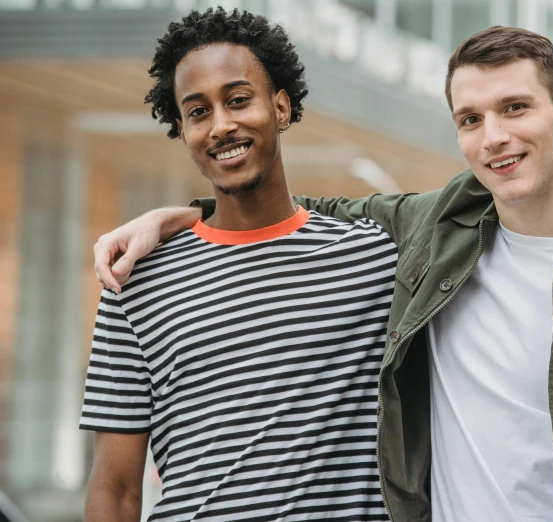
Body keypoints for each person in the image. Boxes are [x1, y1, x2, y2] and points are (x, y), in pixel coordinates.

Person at [90, 23, 553, 522]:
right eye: (470, 119)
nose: (492, 137)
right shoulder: (425, 240)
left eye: (514, 108)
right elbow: (286, 212)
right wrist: (183, 214)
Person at [80, 9, 397, 521]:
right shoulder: (134, 281)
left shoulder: (374, 259)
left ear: (281, 107)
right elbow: (115, 489)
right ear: (181, 128)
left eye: (238, 100)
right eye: (198, 111)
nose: (222, 125)